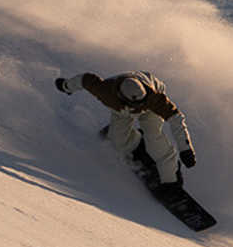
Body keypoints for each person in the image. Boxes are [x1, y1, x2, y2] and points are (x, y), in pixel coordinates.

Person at [55, 70, 197, 185]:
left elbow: (176, 120)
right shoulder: (105, 91)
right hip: (121, 110)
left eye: (142, 101)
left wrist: (186, 150)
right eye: (136, 104)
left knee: (154, 139)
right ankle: (137, 143)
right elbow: (84, 80)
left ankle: (171, 179)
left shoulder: (153, 98)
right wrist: (66, 86)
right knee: (118, 143)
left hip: (150, 110)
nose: (139, 106)